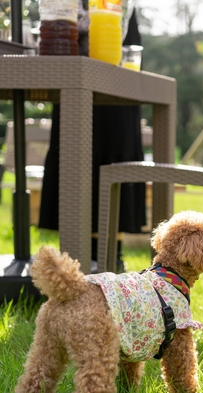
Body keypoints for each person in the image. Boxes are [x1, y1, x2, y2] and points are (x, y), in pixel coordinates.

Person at [38, 8, 145, 271]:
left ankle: (111, 257)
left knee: (115, 153)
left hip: (117, 75)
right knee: (75, 158)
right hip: (71, 74)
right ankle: (75, 257)